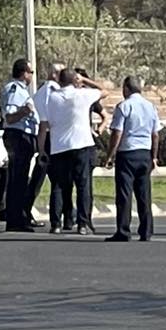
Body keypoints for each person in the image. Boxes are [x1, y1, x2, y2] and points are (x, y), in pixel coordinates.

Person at [40, 66, 105, 233]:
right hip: (81, 144)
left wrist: (41, 149)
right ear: (74, 80)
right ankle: (82, 223)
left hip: (59, 146)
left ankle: (56, 223)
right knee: (83, 184)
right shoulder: (81, 95)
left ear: (60, 81)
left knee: (59, 186)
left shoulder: (52, 98)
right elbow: (103, 91)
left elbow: (44, 125)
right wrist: (84, 80)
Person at [105, 75, 162, 242]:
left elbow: (117, 132)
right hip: (144, 152)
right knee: (144, 194)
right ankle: (146, 230)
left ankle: (123, 230)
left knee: (124, 194)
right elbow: (155, 134)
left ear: (126, 88)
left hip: (128, 152)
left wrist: (110, 154)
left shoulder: (124, 106)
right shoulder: (150, 107)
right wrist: (154, 156)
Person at [0, 57, 44, 232]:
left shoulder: (23, 91)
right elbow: (9, 117)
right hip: (18, 137)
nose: (32, 75)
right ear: (24, 73)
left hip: (24, 137)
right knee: (16, 179)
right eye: (31, 72)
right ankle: (14, 219)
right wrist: (25, 111)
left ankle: (18, 217)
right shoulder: (15, 90)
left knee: (21, 179)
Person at [31, 61, 68, 232]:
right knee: (60, 181)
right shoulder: (52, 91)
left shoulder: (41, 90)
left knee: (39, 179)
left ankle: (25, 209)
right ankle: (63, 218)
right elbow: (45, 122)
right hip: (50, 139)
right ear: (55, 74)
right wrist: (42, 149)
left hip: (44, 138)